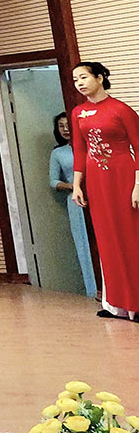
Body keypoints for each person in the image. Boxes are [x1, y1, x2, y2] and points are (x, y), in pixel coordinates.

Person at [69, 61, 139, 321]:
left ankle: (136, 303)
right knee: (106, 238)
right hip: (97, 182)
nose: (79, 83)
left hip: (124, 177)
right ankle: (115, 304)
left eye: (84, 77)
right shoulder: (78, 113)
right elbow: (80, 150)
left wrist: (137, 185)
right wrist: (77, 184)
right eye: (75, 79)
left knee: (130, 236)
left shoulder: (121, 110)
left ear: (99, 78)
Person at [50, 112, 97, 299]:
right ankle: (92, 290)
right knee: (84, 245)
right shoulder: (58, 153)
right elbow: (53, 181)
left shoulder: (91, 146)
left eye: (68, 125)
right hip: (76, 201)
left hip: (97, 196)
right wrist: (73, 186)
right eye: (61, 126)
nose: (65, 129)